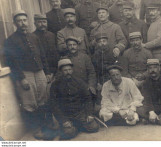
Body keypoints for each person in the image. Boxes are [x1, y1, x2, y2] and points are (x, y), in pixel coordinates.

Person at [4, 10, 54, 139]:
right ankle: (36, 129)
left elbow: (42, 55)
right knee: (30, 103)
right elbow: (12, 62)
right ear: (15, 23)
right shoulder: (11, 40)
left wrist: (47, 72)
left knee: (44, 99)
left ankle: (46, 124)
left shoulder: (34, 37)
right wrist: (22, 79)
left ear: (28, 22)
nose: (23, 23)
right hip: (25, 74)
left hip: (39, 71)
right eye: (19, 21)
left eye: (24, 20)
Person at [50, 59, 99, 140]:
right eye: (65, 70)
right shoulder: (55, 85)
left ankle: (76, 126)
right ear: (61, 72)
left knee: (94, 127)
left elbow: (88, 99)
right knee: (68, 133)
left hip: (80, 113)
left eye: (69, 69)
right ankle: (73, 127)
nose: (68, 72)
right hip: (66, 115)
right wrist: (63, 120)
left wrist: (89, 114)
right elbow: (54, 104)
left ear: (72, 70)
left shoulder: (79, 82)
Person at [142, 3, 161, 68]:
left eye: (154, 11)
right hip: (152, 54)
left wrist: (145, 45)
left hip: (159, 55)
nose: (151, 13)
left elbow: (159, 41)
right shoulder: (153, 23)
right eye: (150, 11)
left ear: (159, 12)